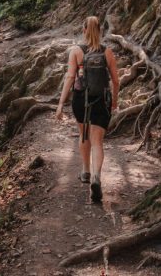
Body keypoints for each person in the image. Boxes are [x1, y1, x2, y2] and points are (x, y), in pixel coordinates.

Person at [55, 16, 119, 202]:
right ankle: (97, 177)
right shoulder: (107, 52)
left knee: (83, 134)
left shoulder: (76, 51)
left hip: (80, 100)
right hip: (101, 100)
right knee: (97, 141)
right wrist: (114, 101)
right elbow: (115, 80)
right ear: (99, 31)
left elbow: (69, 78)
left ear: (84, 30)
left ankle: (85, 171)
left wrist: (60, 104)